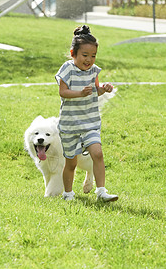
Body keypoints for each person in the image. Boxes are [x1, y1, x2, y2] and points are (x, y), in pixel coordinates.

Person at [55, 25, 118, 202]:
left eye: (93, 56)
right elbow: (63, 92)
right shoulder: (67, 69)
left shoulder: (93, 70)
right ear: (73, 53)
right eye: (85, 55)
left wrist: (103, 89)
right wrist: (79, 93)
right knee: (71, 162)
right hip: (70, 125)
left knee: (97, 153)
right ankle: (68, 194)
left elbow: (95, 90)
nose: (89, 60)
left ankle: (101, 192)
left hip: (90, 122)